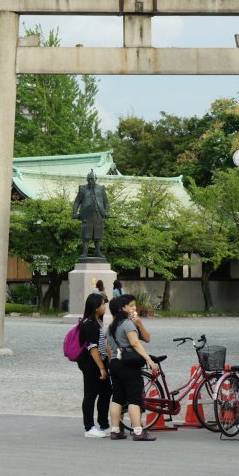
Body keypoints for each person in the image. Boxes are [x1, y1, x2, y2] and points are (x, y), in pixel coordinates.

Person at [106, 294, 158, 441]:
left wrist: (111, 366)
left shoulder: (111, 326)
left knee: (117, 398)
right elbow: (135, 344)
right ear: (123, 308)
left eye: (134, 305)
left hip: (115, 364)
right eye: (131, 306)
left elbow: (109, 349)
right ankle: (138, 431)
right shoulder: (127, 324)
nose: (134, 308)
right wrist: (149, 360)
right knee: (134, 398)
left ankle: (115, 431)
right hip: (128, 364)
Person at [77, 292, 111, 438]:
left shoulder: (98, 321)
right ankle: (89, 427)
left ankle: (103, 424)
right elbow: (93, 348)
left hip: (100, 361)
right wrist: (102, 368)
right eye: (103, 304)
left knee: (106, 391)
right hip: (91, 363)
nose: (105, 306)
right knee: (91, 394)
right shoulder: (89, 323)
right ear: (96, 307)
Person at [72, 170, 110, 258]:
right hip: (86, 215)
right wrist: (75, 212)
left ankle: (97, 251)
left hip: (98, 214)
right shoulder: (83, 189)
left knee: (98, 234)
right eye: (88, 179)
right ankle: (85, 253)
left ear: (95, 179)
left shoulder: (101, 189)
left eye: (92, 179)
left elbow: (106, 203)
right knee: (86, 235)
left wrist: (106, 212)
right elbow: (77, 202)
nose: (90, 181)